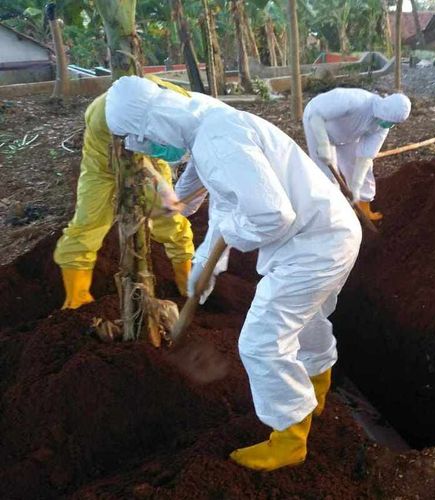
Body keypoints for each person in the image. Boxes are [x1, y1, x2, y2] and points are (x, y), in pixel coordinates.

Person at [105, 76, 362, 471]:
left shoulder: (216, 141)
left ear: (153, 123)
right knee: (305, 320)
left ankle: (289, 438)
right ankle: (317, 393)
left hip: (314, 244)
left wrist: (226, 237)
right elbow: (205, 194)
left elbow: (270, 216)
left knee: (262, 341)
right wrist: (203, 266)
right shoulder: (207, 123)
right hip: (329, 231)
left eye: (144, 139)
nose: (151, 149)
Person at [53, 76, 195, 309]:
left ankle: (186, 281)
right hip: (103, 158)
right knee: (89, 223)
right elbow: (133, 160)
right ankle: (76, 300)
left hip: (148, 147)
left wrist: (165, 189)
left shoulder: (182, 103)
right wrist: (160, 186)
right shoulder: (110, 118)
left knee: (171, 218)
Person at [303, 88, 411, 221]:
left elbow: (365, 157)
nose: (389, 124)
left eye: (393, 123)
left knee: (359, 168)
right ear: (383, 110)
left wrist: (356, 186)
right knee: (326, 175)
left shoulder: (382, 126)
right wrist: (323, 144)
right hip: (319, 125)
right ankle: (331, 215)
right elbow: (316, 115)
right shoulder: (355, 101)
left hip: (349, 134)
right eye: (389, 120)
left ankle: (363, 208)